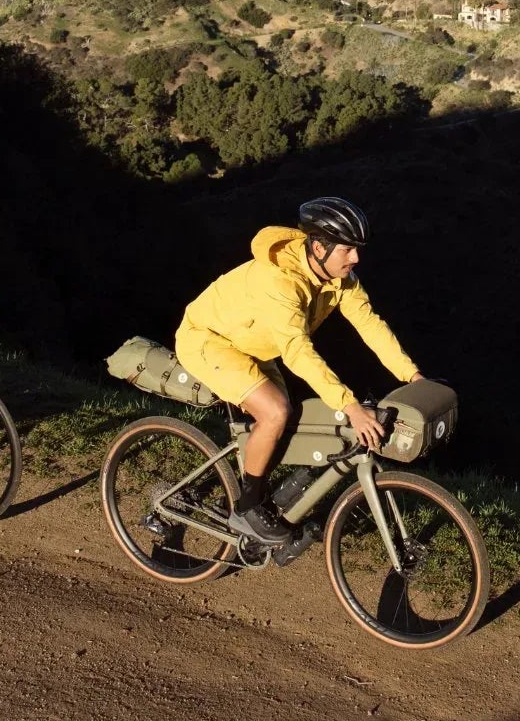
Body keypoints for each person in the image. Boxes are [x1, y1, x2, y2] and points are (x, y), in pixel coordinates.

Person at [173, 196, 426, 544]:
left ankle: (244, 489)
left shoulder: (341, 279)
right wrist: (349, 406)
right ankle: (246, 510)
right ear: (319, 247)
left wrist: (412, 377)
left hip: (254, 347)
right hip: (209, 340)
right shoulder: (281, 281)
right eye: (347, 250)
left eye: (357, 250)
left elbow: (371, 326)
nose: (355, 259)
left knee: (288, 421)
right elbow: (296, 351)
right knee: (275, 413)